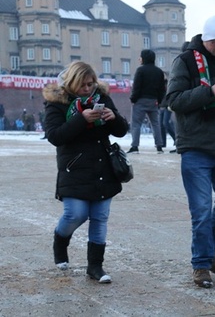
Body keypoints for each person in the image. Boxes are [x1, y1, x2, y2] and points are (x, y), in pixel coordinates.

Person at [166, 15, 215, 288]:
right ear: (205, 38)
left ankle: (209, 248)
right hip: (195, 148)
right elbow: (173, 100)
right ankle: (201, 264)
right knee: (200, 210)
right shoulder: (185, 61)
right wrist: (208, 93)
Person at [42, 61, 129, 284]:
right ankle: (60, 241)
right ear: (72, 83)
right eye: (83, 85)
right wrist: (81, 119)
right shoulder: (57, 102)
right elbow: (55, 136)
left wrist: (113, 117)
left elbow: (121, 131)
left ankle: (95, 266)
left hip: (102, 166)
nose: (88, 88)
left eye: (91, 84)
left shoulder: (101, 97)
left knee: (100, 217)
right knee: (76, 214)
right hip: (74, 167)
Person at [128, 49, 165, 154]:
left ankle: (135, 146)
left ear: (144, 58)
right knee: (155, 124)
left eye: (140, 57)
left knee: (136, 124)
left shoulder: (140, 70)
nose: (139, 59)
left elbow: (136, 87)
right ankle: (159, 146)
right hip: (154, 101)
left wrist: (133, 99)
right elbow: (162, 89)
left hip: (140, 100)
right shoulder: (159, 71)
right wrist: (159, 101)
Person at [159, 74, 177, 153]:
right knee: (161, 125)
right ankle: (163, 142)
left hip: (167, 106)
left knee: (165, 123)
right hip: (161, 106)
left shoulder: (169, 84)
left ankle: (175, 140)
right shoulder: (159, 85)